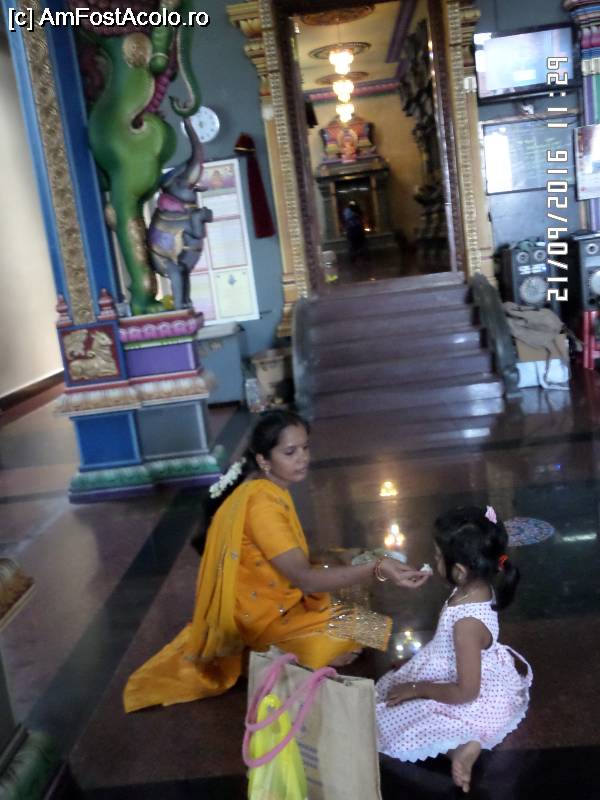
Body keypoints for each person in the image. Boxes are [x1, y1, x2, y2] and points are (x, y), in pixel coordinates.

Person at [124, 410, 430, 712]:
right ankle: (263, 656)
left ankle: (292, 649)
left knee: (355, 597)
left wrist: (342, 555)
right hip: (261, 619)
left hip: (277, 602)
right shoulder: (262, 506)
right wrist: (377, 568)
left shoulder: (266, 488)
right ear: (263, 460)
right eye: (290, 452)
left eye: (305, 448)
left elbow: (286, 554)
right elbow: (305, 579)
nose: (302, 458)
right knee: (364, 627)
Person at [375, 506, 532, 794]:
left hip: (470, 692)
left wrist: (418, 688)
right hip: (468, 670)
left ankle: (462, 745)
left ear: (459, 571)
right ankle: (461, 742)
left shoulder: (467, 625)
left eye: (437, 556)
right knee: (392, 694)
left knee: (393, 717)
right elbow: (448, 645)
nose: (434, 560)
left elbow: (466, 692)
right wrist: (419, 662)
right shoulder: (476, 587)